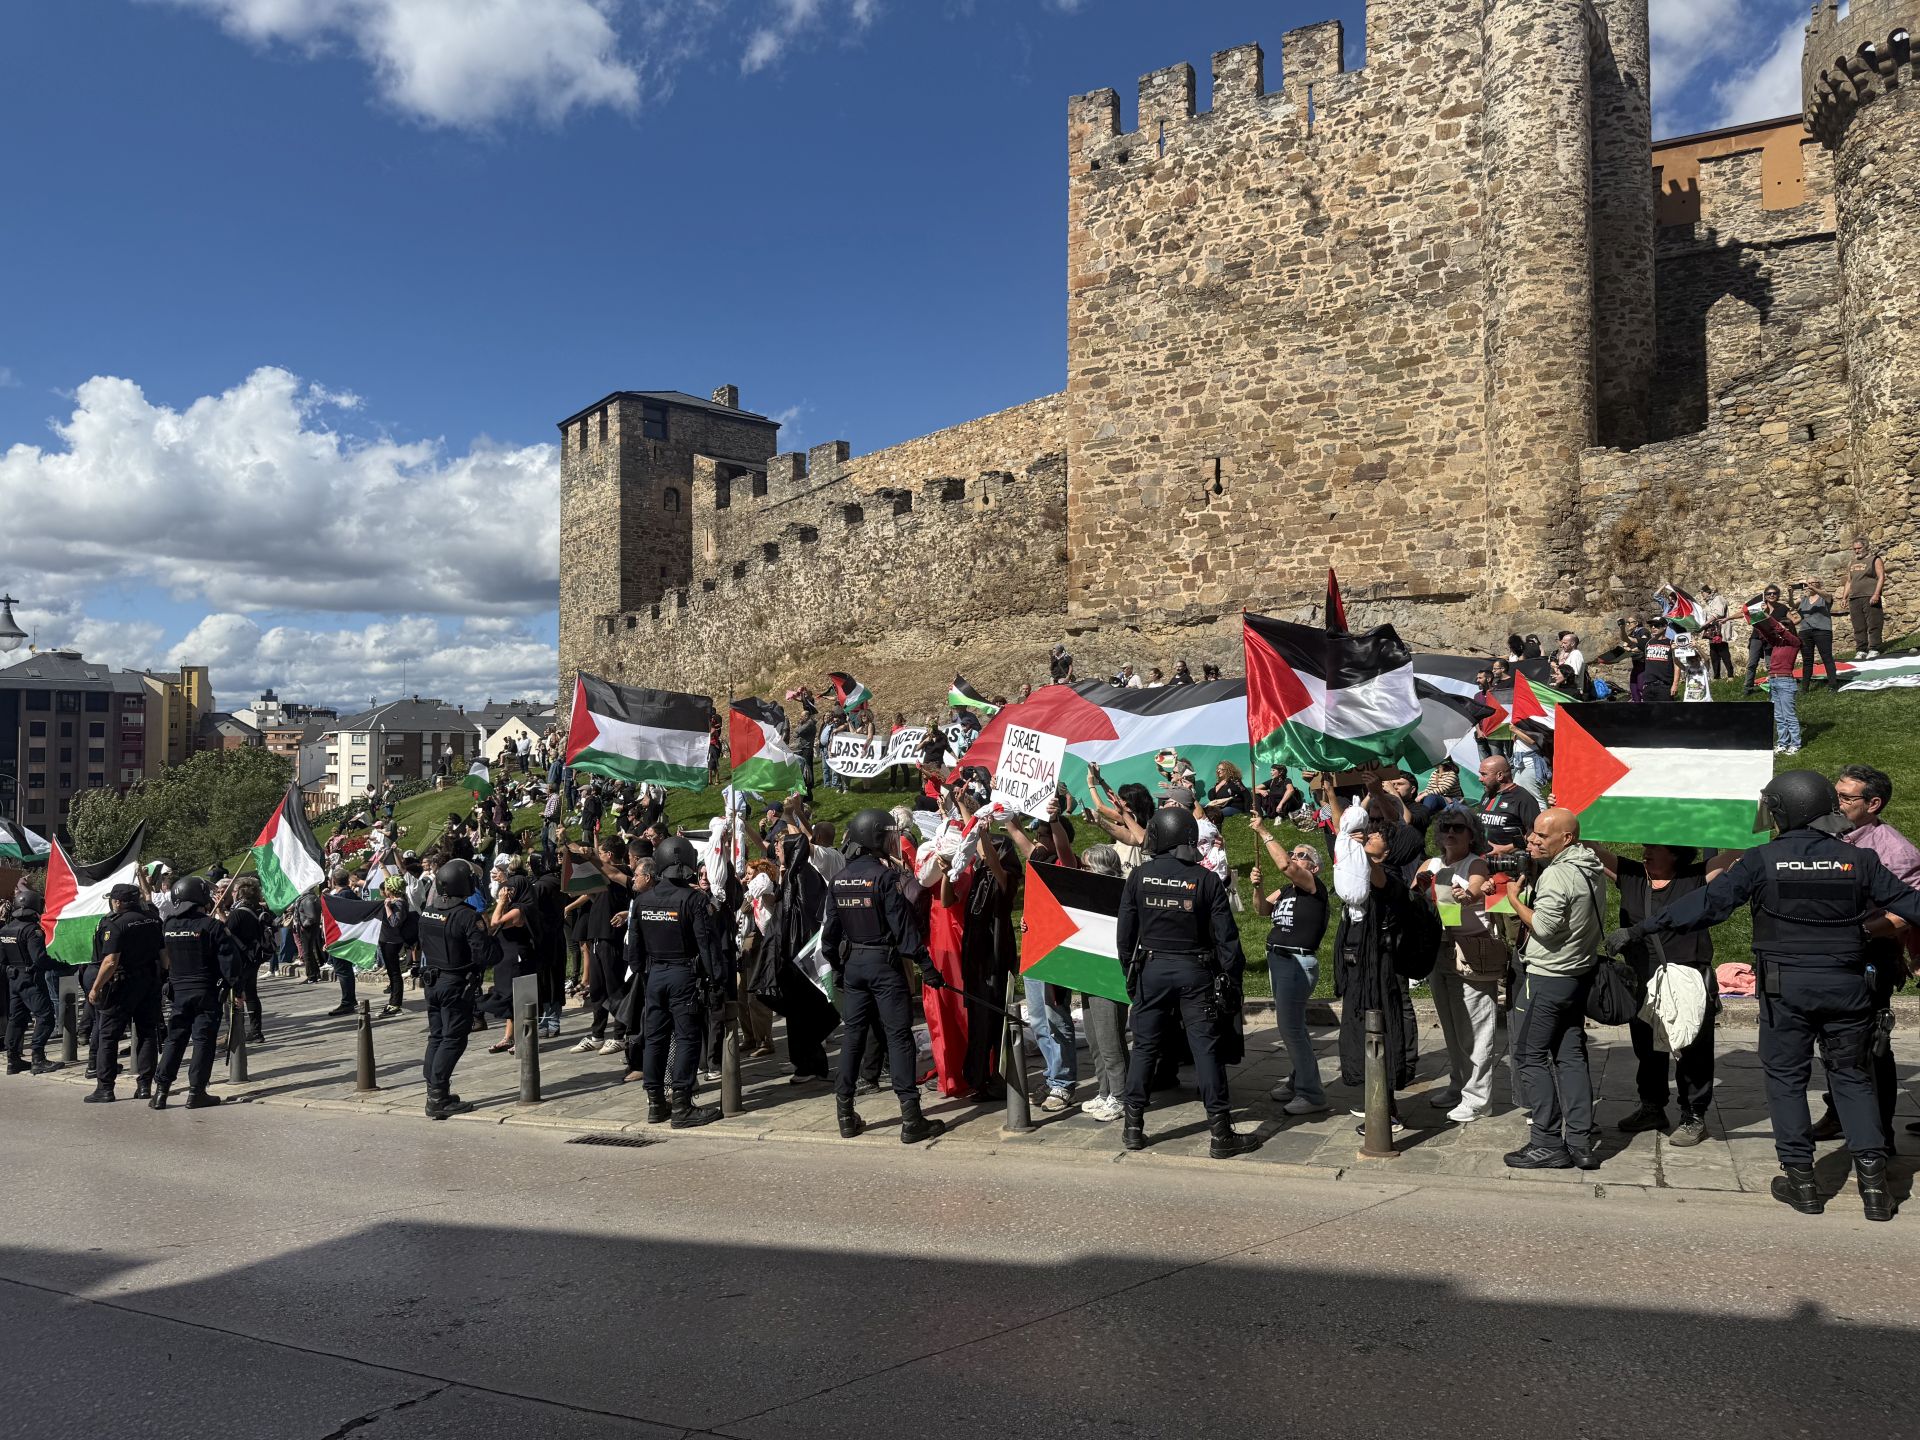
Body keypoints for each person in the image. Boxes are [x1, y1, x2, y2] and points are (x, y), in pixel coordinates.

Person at [1610, 771, 1920, 1221]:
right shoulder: (1860, 859)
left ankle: (1802, 1184)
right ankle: (1875, 1190)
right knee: (1852, 1079)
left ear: (1782, 811)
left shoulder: (1762, 860)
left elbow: (1705, 906)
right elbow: (1910, 905)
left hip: (1785, 990)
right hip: (1849, 989)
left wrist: (1640, 928)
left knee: (1786, 1082)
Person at [1117, 807, 1254, 1159]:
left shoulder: (1139, 876)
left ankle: (1133, 1127)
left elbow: (1125, 935)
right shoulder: (1206, 880)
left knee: (1145, 1048)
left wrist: (1131, 976)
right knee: (1205, 1051)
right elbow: (1228, 940)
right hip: (1195, 972)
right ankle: (1220, 1133)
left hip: (1152, 969)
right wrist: (1232, 981)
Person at [1594, 843, 1731, 1146]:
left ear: (1676, 854)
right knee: (1646, 1047)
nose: (1646, 852)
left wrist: (1745, 813)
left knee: (1692, 1049)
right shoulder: (1631, 874)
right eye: (1645, 847)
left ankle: (1693, 1114)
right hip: (1642, 979)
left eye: (1654, 848)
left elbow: (1739, 854)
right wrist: (1567, 806)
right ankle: (1652, 1107)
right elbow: (1586, 845)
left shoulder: (1695, 877)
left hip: (1687, 979)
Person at [1814, 764, 1920, 1149]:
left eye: (1845, 797)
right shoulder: (1824, 833)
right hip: (1825, 956)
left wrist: (1862, 930)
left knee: (1871, 1046)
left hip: (1871, 956)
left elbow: (1909, 909)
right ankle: (1838, 1114)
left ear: (1873, 804)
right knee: (1831, 1040)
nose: (1835, 802)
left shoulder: (1894, 849)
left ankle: (1881, 1132)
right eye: (1835, 794)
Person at [825, 809, 947, 1144]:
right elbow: (905, 933)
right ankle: (911, 1118)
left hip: (854, 968)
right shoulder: (884, 878)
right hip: (884, 966)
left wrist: (839, 967)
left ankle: (845, 1115)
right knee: (899, 1038)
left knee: (853, 1037)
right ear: (877, 839)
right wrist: (930, 969)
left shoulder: (839, 879)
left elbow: (829, 938)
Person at [1503, 809, 1607, 1170]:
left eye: (1541, 836)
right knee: (1570, 1056)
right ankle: (1579, 1142)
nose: (1532, 840)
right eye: (1532, 833)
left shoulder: (1558, 875)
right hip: (1577, 974)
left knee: (1529, 1056)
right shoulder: (1589, 867)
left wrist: (1515, 898)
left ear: (1566, 839)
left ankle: (1545, 1142)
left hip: (1549, 977)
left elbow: (1545, 929)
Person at [624, 836, 723, 1129]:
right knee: (687, 1038)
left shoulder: (642, 900)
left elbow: (634, 948)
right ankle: (681, 1104)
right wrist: (717, 980)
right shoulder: (693, 899)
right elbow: (706, 945)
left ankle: (656, 1102)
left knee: (655, 1038)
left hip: (654, 975)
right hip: (683, 974)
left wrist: (643, 974)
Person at [1420, 808, 1507, 1124]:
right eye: (1445, 827)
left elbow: (1473, 890)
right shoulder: (1431, 865)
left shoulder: (1475, 863)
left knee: (1476, 1025)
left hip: (1471, 950)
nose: (1450, 832)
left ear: (1471, 834)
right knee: (1452, 1026)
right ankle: (1459, 1086)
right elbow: (1413, 892)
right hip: (1438, 949)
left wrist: (1465, 895)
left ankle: (1478, 1099)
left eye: (1458, 827)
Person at [1247, 815, 1330, 1116]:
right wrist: (1258, 887)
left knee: (1290, 1028)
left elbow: (1285, 866)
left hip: (1296, 959)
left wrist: (1264, 831)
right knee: (1295, 1027)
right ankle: (1299, 1081)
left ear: (1314, 867)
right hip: (1278, 958)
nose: (1295, 857)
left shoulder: (1313, 887)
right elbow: (1261, 910)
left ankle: (1312, 1094)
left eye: (1302, 855)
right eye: (1294, 852)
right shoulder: (1286, 890)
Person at [152, 875, 245, 1111]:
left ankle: (161, 1092)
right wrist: (237, 988)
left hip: (179, 991)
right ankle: (196, 1092)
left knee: (175, 1039)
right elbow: (230, 961)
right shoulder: (211, 926)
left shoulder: (169, 926)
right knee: (203, 1040)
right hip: (205, 990)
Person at [416, 859, 483, 1120]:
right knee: (453, 1038)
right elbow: (484, 952)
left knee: (437, 1036)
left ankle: (434, 1091)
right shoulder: (466, 915)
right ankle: (438, 1097)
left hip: (432, 981)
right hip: (455, 982)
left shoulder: (428, 912)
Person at [85, 884, 163, 1102]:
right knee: (147, 1033)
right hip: (148, 981)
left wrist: (96, 987)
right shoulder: (153, 919)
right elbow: (164, 956)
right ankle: (145, 1085)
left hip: (121, 984)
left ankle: (105, 1088)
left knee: (108, 1036)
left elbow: (110, 961)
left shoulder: (115, 924)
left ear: (118, 902)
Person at [1075, 845, 1132, 1122]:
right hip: (1088, 971)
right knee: (1095, 1039)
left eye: (1085, 867)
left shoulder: (1119, 895)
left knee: (1111, 1040)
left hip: (1109, 975)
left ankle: (1121, 1096)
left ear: (1101, 868)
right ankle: (1105, 1089)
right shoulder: (1087, 895)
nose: (1081, 872)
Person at [4, 888, 67, 1074]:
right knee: (46, 1017)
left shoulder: (5, 930)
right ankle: (38, 1058)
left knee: (16, 1019)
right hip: (31, 980)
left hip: (13, 980)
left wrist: (10, 970)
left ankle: (13, 1059)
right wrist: (60, 964)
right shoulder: (33, 931)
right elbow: (39, 958)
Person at [220, 875, 270, 1046]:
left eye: (233, 891)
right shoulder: (256, 908)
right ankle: (256, 1031)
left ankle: (234, 1032)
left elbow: (226, 932)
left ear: (240, 893)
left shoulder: (238, 912)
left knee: (232, 995)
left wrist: (219, 913)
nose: (231, 894)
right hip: (253, 957)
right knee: (251, 994)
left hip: (240, 959)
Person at [1755, 598, 1802, 755]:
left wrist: (1769, 617)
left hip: (1786, 682)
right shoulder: (1777, 643)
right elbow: (1767, 634)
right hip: (1774, 680)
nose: (1781, 630)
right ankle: (1782, 742)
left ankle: (1795, 743)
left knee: (1789, 715)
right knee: (1779, 716)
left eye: (1785, 627)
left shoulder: (1794, 642)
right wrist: (1756, 621)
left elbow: (1780, 630)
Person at [377, 874, 417, 1016]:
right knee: (391, 972)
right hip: (387, 940)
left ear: (391, 889)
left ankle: (395, 1003)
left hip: (392, 942)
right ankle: (392, 1001)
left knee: (394, 973)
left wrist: (387, 907)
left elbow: (395, 922)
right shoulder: (397, 901)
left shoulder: (399, 903)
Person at [322, 868, 359, 1016]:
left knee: (343, 971)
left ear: (334, 881)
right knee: (346, 970)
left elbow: (336, 921)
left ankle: (347, 1002)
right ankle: (350, 999)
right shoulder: (350, 894)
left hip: (340, 938)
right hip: (347, 937)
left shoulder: (340, 896)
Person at [1842, 535, 1886, 659]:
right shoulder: (1852, 562)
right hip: (1855, 597)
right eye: (1855, 549)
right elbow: (1849, 581)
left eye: (1859, 548)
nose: (1857, 551)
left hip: (1870, 595)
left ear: (1866, 547)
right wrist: (1844, 597)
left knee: (1874, 623)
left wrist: (1877, 593)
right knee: (1858, 625)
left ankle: (1874, 648)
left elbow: (1881, 577)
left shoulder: (1874, 559)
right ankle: (1861, 650)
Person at [1476, 754, 1541, 838]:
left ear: (1500, 775)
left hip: (1513, 851)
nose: (1480, 779)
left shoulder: (1523, 799)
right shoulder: (1487, 795)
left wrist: (1507, 848)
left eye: (1484, 774)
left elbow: (1535, 832)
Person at [1792, 577, 1838, 688]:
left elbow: (1828, 597)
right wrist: (1790, 593)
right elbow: (1792, 605)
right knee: (1807, 660)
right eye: (1809, 583)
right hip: (1805, 631)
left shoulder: (1824, 597)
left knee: (1826, 657)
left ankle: (1833, 685)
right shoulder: (1803, 599)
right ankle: (1805, 687)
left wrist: (1810, 586)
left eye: (1813, 583)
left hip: (1822, 630)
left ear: (1819, 584)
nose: (1810, 585)